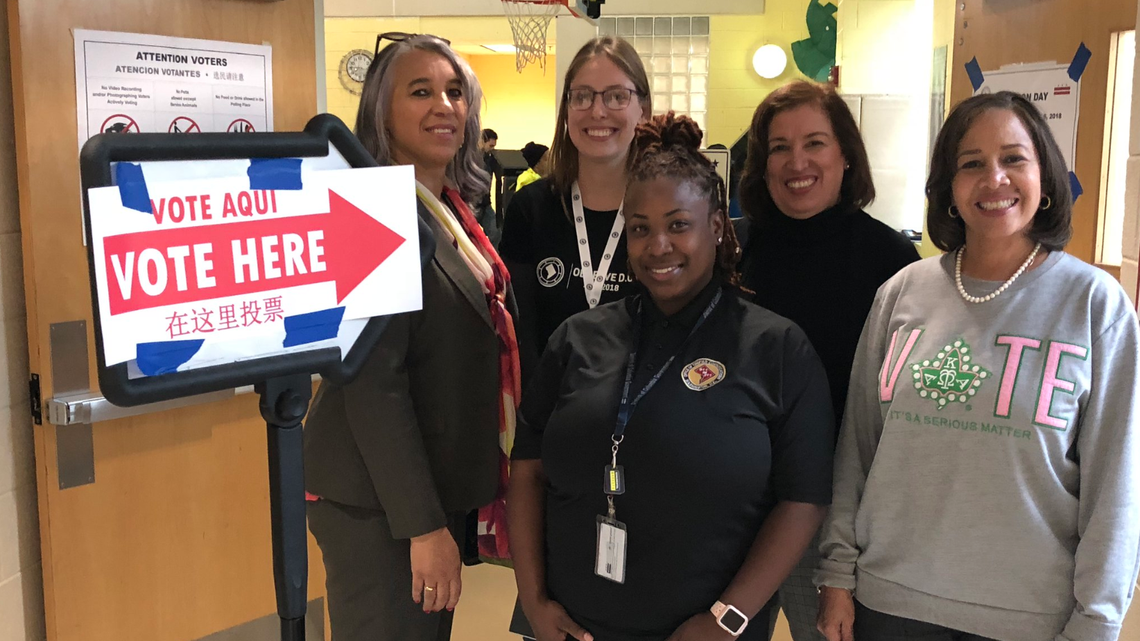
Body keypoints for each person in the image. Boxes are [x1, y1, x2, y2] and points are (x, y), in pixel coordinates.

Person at [815, 91, 1140, 641]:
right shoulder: (902, 293)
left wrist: (1098, 619)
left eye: (1014, 158)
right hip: (890, 602)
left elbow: (1117, 485)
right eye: (971, 164)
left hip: (1030, 617)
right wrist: (837, 572)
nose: (994, 178)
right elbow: (858, 450)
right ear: (948, 187)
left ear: (1046, 175)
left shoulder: (1094, 304)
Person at [508, 112, 836, 641]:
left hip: (703, 630)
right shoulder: (578, 338)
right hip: (571, 625)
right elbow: (526, 468)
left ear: (716, 226)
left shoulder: (774, 347)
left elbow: (805, 500)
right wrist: (533, 599)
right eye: (640, 228)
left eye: (678, 224)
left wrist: (727, 619)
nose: (658, 245)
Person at [303, 33, 519, 641]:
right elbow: (374, 384)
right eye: (420, 91)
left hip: (428, 482)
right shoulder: (366, 211)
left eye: (455, 92)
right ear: (380, 109)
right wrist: (423, 528)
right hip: (378, 502)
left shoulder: (447, 204)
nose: (444, 106)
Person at [734, 80, 919, 641]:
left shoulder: (893, 261)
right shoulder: (734, 252)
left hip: (840, 516)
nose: (797, 163)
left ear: (845, 156)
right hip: (740, 504)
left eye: (815, 143)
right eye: (779, 148)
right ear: (761, 166)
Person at [499, 36, 649, 379]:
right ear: (567, 110)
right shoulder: (530, 209)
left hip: (646, 418)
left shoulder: (665, 212)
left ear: (643, 108)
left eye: (616, 96)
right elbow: (522, 335)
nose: (597, 111)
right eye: (582, 96)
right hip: (552, 416)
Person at [477, 128, 504, 245]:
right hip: (471, 203)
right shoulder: (471, 158)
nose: (492, 149)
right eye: (491, 145)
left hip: (485, 203)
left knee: (496, 233)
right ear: (483, 142)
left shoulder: (491, 159)